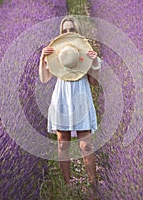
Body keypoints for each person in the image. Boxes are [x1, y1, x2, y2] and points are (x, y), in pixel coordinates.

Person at [39, 15, 101, 187]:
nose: (68, 32)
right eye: (65, 30)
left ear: (77, 32)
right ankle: (68, 183)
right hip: (61, 99)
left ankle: (93, 184)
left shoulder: (86, 52)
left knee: (86, 145)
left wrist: (94, 62)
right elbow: (44, 78)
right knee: (62, 144)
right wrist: (42, 59)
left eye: (71, 29)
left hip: (81, 98)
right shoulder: (56, 53)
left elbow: (94, 83)